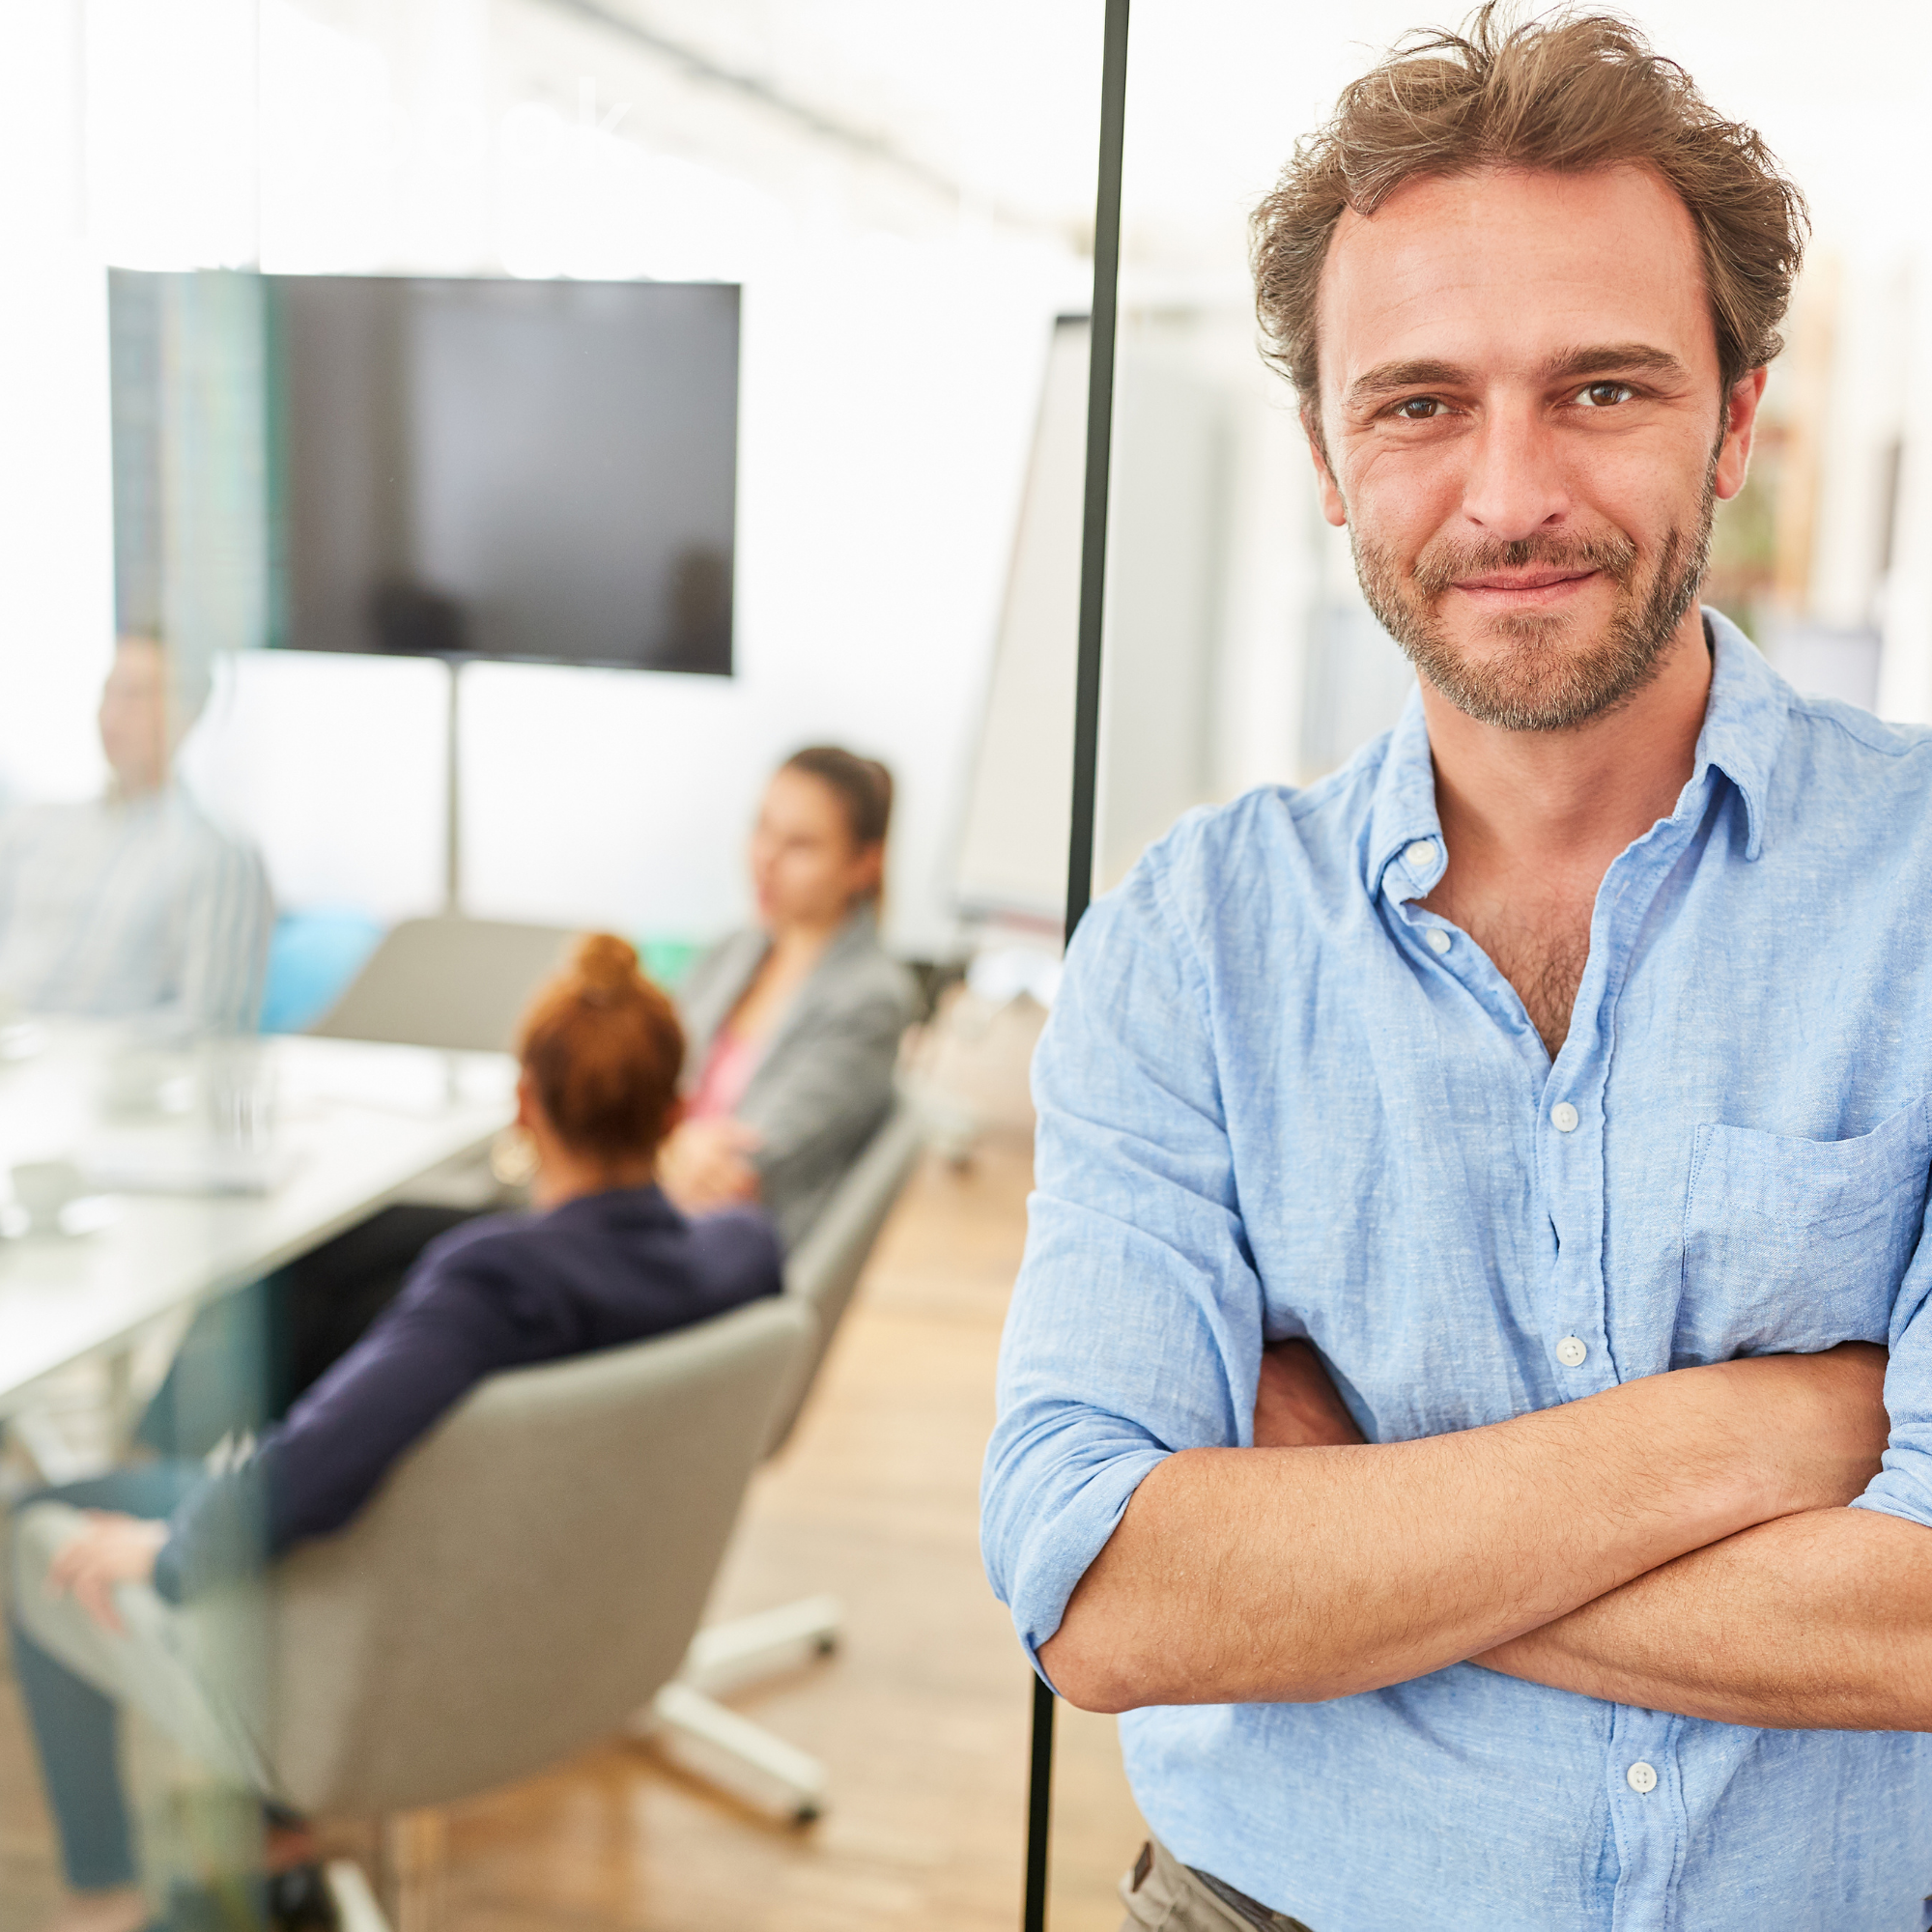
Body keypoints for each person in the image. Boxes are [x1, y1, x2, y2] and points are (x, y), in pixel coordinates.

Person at [981, 11, 1932, 1930]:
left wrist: (1352, 1535)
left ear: (1735, 422)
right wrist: (1756, 1434)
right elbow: (1102, 1588)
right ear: (1330, 457)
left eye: (1601, 390)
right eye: (1417, 403)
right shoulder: (1187, 944)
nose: (1509, 498)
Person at [9, 934, 781, 1932]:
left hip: (390, 1602)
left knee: (48, 1513)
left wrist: (169, 1549)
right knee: (339, 1280)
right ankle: (269, 1834)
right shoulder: (743, 1252)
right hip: (552, 1592)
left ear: (525, 1104)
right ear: (676, 1114)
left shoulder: (492, 1282)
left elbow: (316, 1469)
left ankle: (105, 1895)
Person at [661, 746, 918, 1250]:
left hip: (725, 1250)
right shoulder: (730, 952)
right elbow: (641, 1091)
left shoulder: (872, 1001)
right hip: (657, 1217)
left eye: (800, 845)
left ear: (864, 864)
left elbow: (742, 1172)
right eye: (762, 829)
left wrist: (644, 1150)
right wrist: (666, 1150)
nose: (766, 859)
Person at [0, 636, 272, 1037]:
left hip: (103, 1086)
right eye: (109, 692)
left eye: (137, 697)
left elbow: (212, 1024)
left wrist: (64, 1048)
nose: (113, 714)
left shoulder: (220, 858)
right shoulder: (35, 829)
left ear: (188, 713)